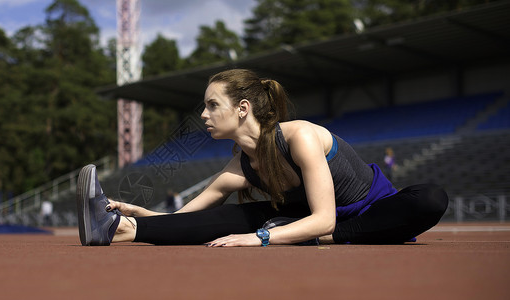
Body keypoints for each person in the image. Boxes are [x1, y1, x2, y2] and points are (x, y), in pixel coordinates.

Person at [76, 69, 448, 247]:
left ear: (242, 108)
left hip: (373, 216)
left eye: (211, 105)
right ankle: (117, 230)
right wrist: (139, 215)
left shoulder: (299, 137)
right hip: (300, 222)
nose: (203, 115)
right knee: (231, 218)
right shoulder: (238, 167)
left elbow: (324, 217)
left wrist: (261, 237)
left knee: (431, 198)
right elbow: (187, 220)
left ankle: (306, 235)